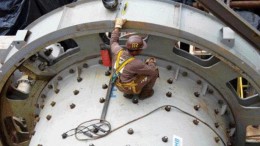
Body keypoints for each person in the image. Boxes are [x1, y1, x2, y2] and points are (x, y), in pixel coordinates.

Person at [110, 18, 159, 100]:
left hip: (117, 83)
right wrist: (151, 62)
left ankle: (127, 94)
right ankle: (145, 94)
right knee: (155, 71)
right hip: (128, 87)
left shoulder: (117, 51)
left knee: (128, 73)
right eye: (141, 49)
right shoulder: (137, 63)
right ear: (136, 51)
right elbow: (152, 72)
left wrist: (117, 26)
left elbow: (113, 41)